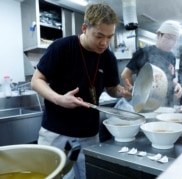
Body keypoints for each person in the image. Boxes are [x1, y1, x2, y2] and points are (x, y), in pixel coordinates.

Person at [31, 3, 131, 179]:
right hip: (56, 132)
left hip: (89, 134)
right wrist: (59, 99)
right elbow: (36, 80)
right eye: (99, 36)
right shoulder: (61, 47)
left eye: (109, 37)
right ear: (84, 28)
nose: (105, 43)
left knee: (88, 176)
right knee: (52, 175)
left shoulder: (108, 57)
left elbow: (112, 88)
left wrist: (123, 92)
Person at [121, 20, 182, 107]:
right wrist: (134, 93)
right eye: (169, 38)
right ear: (159, 35)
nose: (172, 42)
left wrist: (177, 85)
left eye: (175, 39)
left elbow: (171, 78)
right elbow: (125, 74)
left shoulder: (172, 57)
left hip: (167, 104)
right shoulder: (143, 52)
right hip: (147, 104)